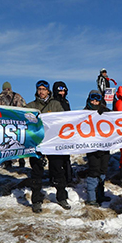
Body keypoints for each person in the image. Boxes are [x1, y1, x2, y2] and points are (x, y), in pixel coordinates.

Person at [26, 80, 70, 213]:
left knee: (58, 170)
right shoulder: (30, 106)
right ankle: (36, 201)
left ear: (48, 91)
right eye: (39, 89)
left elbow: (63, 121)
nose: (41, 91)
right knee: (36, 172)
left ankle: (62, 197)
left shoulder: (56, 104)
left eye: (44, 89)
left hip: (53, 143)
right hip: (37, 145)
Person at [84, 90, 112, 206]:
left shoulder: (106, 112)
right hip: (92, 148)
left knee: (103, 170)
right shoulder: (84, 113)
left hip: (104, 146)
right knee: (93, 171)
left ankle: (100, 194)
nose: (95, 102)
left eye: (97, 99)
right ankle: (91, 198)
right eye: (92, 99)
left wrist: (105, 114)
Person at [0, 82, 28, 169]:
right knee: (19, 143)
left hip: (5, 126)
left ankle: (7, 162)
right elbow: (25, 108)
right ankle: (21, 160)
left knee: (6, 144)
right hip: (18, 125)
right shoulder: (18, 96)